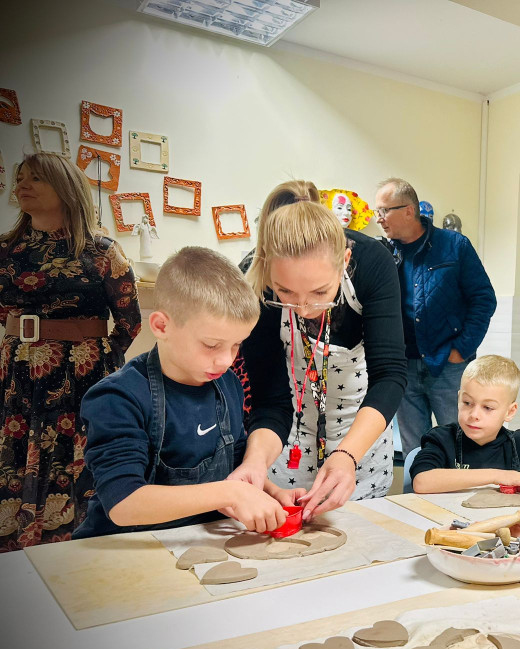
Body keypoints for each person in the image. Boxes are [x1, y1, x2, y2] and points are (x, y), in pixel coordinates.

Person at [73, 247, 291, 538]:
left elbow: (236, 466)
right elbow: (124, 503)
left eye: (236, 344)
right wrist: (231, 494)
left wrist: (270, 493)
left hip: (197, 541)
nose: (227, 360)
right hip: (124, 550)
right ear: (162, 326)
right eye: (212, 345)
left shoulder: (227, 383)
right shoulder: (117, 398)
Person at [230, 181, 406, 517]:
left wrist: (346, 456)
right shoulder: (253, 278)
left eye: (319, 291)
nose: (305, 308)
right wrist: (254, 462)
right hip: (285, 439)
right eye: (285, 292)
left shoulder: (373, 263)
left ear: (345, 260)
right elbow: (270, 398)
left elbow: (390, 375)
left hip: (360, 435)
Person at [0, 152, 141, 550]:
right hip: (18, 374)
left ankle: (77, 548)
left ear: (65, 188)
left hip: (81, 374)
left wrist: (98, 358)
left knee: (76, 458)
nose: (22, 185)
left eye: (36, 179)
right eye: (20, 177)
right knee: (14, 452)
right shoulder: (5, 250)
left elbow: (129, 320)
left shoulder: (101, 251)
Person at [374, 177, 496, 459]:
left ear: (408, 210)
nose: (379, 219)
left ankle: (462, 502)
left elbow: (484, 299)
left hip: (448, 365)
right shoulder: (383, 253)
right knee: (415, 451)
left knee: (461, 447)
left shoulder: (454, 246)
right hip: (402, 367)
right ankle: (416, 500)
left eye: (384, 211)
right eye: (376, 212)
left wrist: (461, 350)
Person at [410, 355, 520, 501]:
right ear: (458, 398)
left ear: (510, 411)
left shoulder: (519, 445)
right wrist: (497, 476)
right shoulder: (442, 439)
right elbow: (422, 481)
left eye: (487, 407)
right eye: (467, 403)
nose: (474, 414)